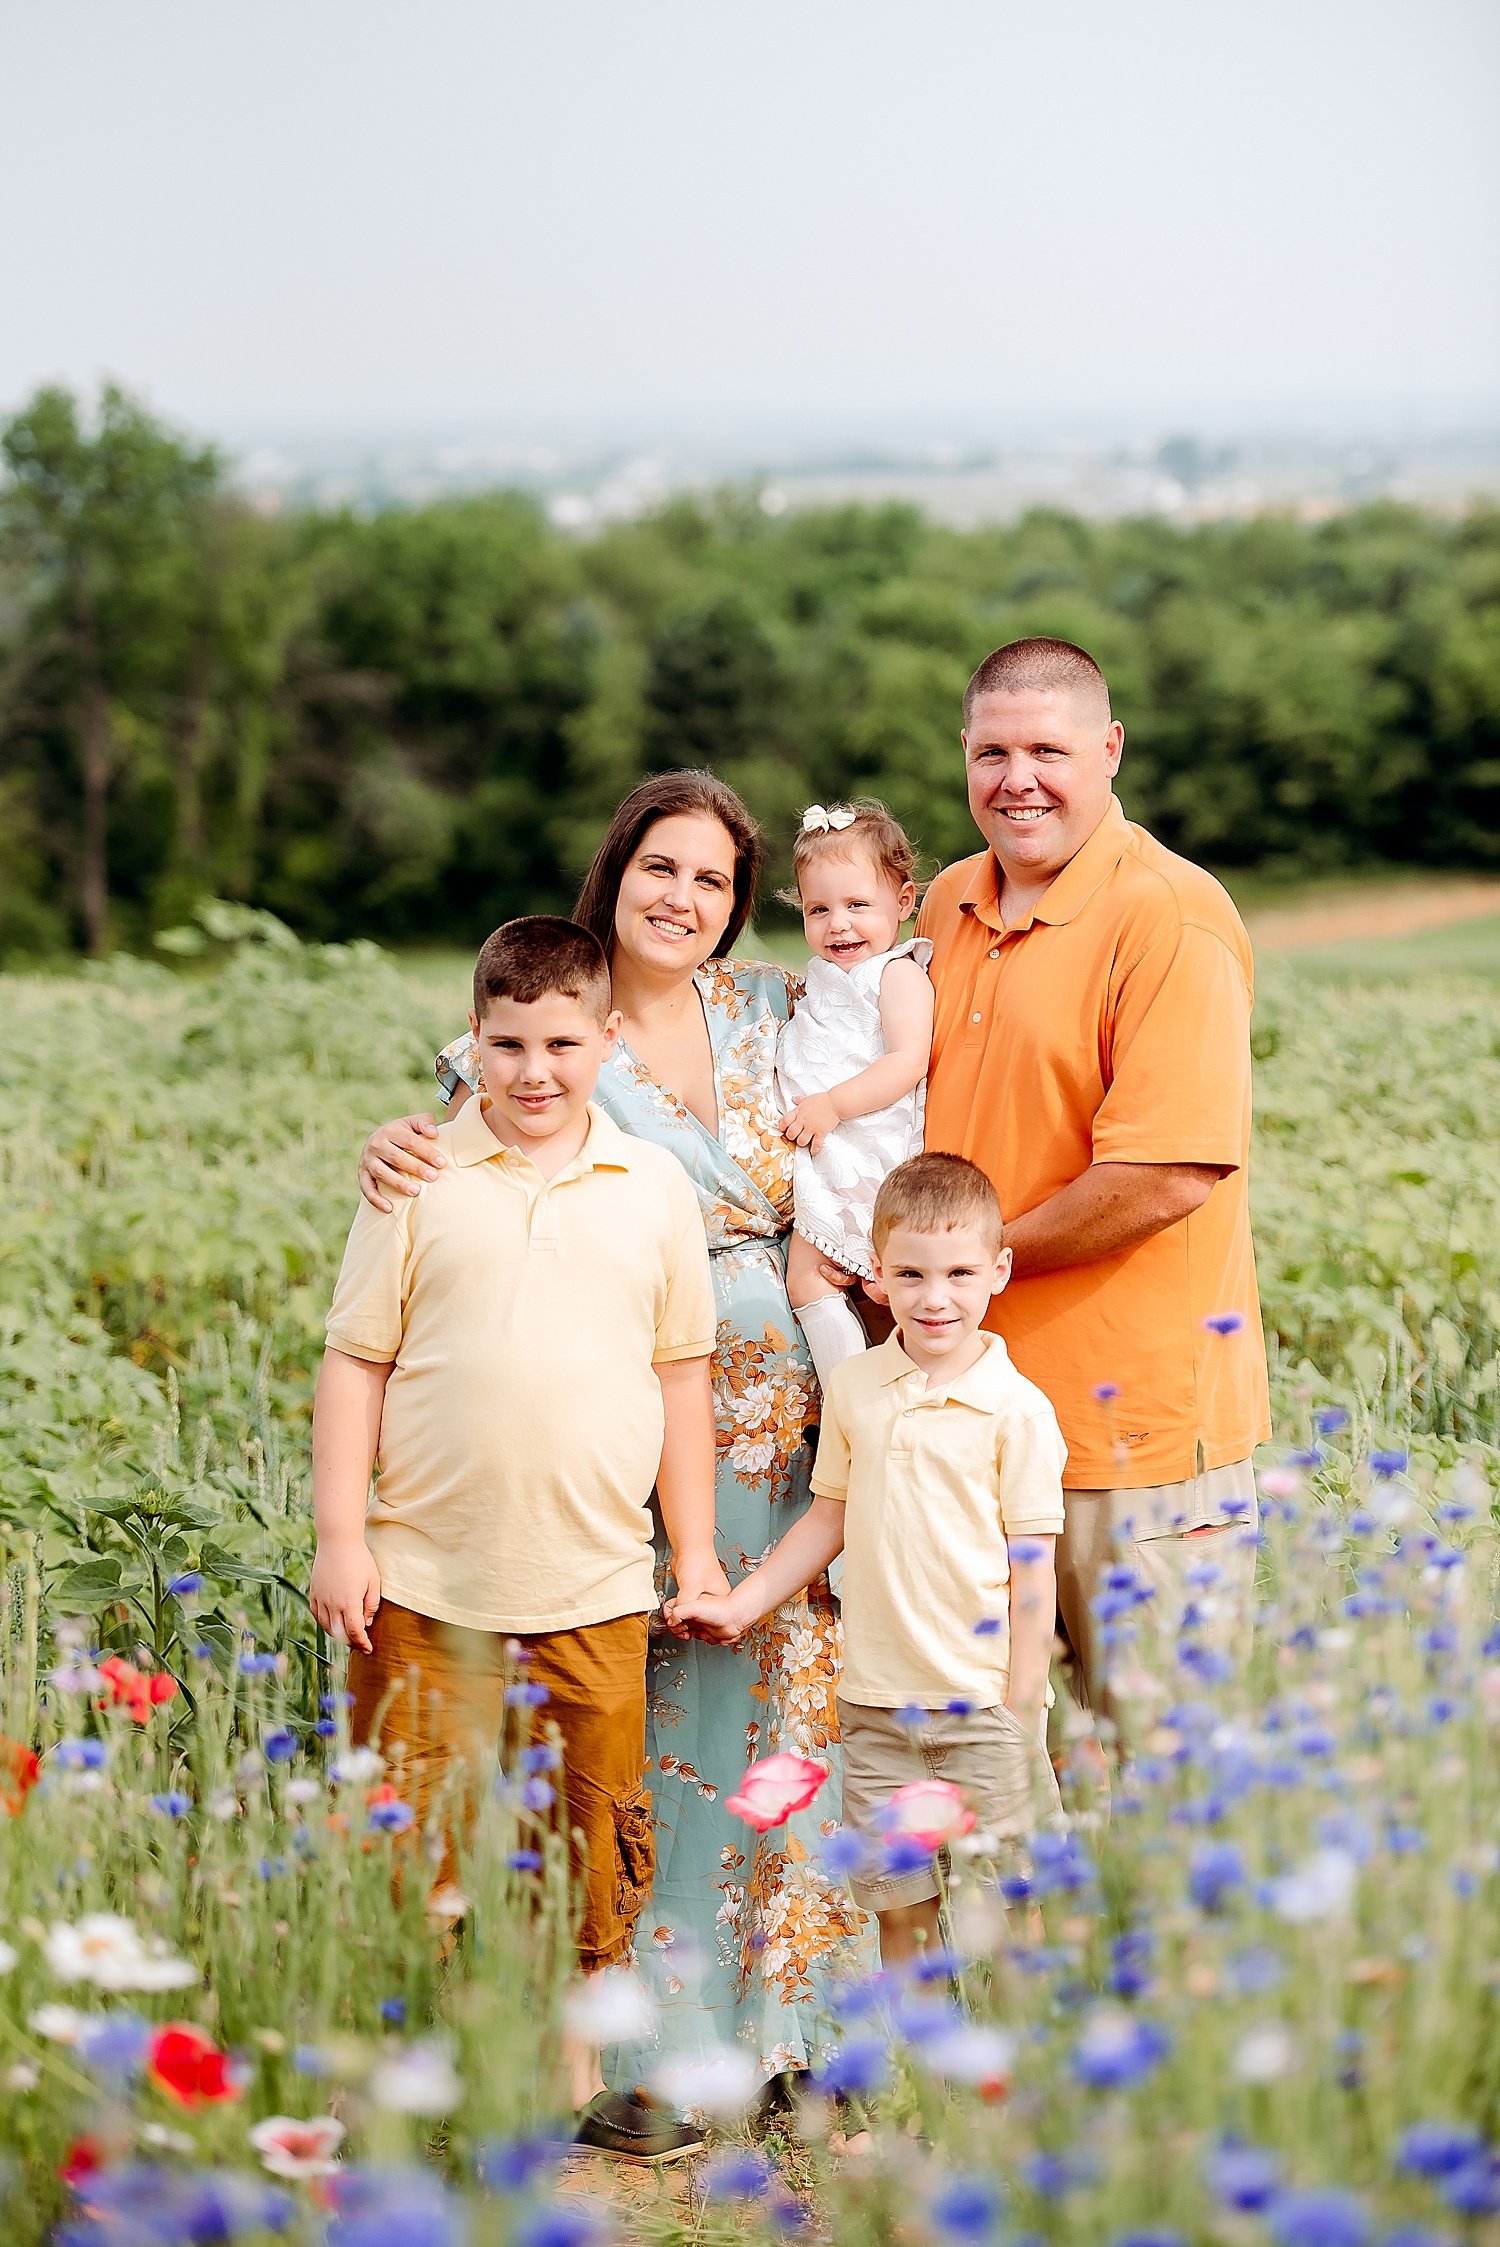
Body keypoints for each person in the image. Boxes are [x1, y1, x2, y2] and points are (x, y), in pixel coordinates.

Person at [355, 773, 869, 2114]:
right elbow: (455, 1169)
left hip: (792, 1423)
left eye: (711, 878)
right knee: (629, 1719)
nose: (683, 897)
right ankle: (626, 2046)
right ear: (616, 869)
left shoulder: (775, 1012)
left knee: (783, 1701)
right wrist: (387, 1147)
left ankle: (780, 2036)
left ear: (738, 902)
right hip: (626, 1413)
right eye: (661, 866)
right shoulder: (540, 1030)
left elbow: (889, 1090)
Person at [311, 914, 720, 2162]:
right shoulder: (420, 1174)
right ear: (471, 1043)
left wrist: (691, 1553)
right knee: (411, 1826)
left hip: (590, 1574)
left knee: (587, 1831)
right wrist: (341, 1534)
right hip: (426, 1574)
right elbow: (355, 1360)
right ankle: (391, 2072)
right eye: (507, 1045)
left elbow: (683, 1375)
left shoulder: (651, 1186)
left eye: (559, 1042)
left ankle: (570, 2079)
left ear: (607, 1037)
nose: (533, 1071)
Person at [913, 636, 1271, 1732]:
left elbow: (1165, 1174)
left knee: (1157, 1789)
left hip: (1135, 1445)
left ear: (1109, 750)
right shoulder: (942, 905)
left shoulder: (1171, 915)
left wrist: (977, 1263)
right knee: (994, 1788)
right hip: (971, 1424)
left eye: (1048, 750)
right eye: (992, 752)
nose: (1018, 780)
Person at [669, 1153, 1065, 1968]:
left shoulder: (1018, 1410)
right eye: (911, 1273)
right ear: (877, 1277)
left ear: (999, 1270)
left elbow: (1035, 1568)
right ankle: (928, 2086)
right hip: (880, 1706)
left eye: (959, 1272)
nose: (935, 1296)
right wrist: (743, 1604)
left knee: (1006, 1916)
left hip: (983, 1704)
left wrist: (1024, 1706)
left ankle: (1015, 2088)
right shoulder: (856, 1387)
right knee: (902, 1917)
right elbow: (830, 1517)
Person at [776, 800, 934, 1395]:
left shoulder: (898, 975)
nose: (837, 924)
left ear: (903, 902)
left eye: (856, 906)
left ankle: (880, 1395)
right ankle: (853, 1394)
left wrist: (834, 1106)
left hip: (871, 1145)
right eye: (819, 909)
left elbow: (906, 1060)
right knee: (812, 1280)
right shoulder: (820, 977)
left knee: (878, 1283)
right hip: (825, 1150)